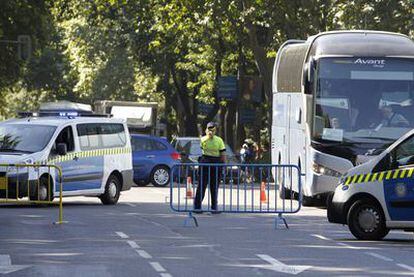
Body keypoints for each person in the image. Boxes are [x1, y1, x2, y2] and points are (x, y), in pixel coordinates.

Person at [194, 122, 226, 213]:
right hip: (216, 164)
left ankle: (197, 207)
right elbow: (223, 154)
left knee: (201, 185)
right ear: (215, 130)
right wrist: (224, 165)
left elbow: (201, 149)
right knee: (214, 186)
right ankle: (214, 207)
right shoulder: (219, 140)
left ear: (206, 129)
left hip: (204, 162)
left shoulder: (203, 139)